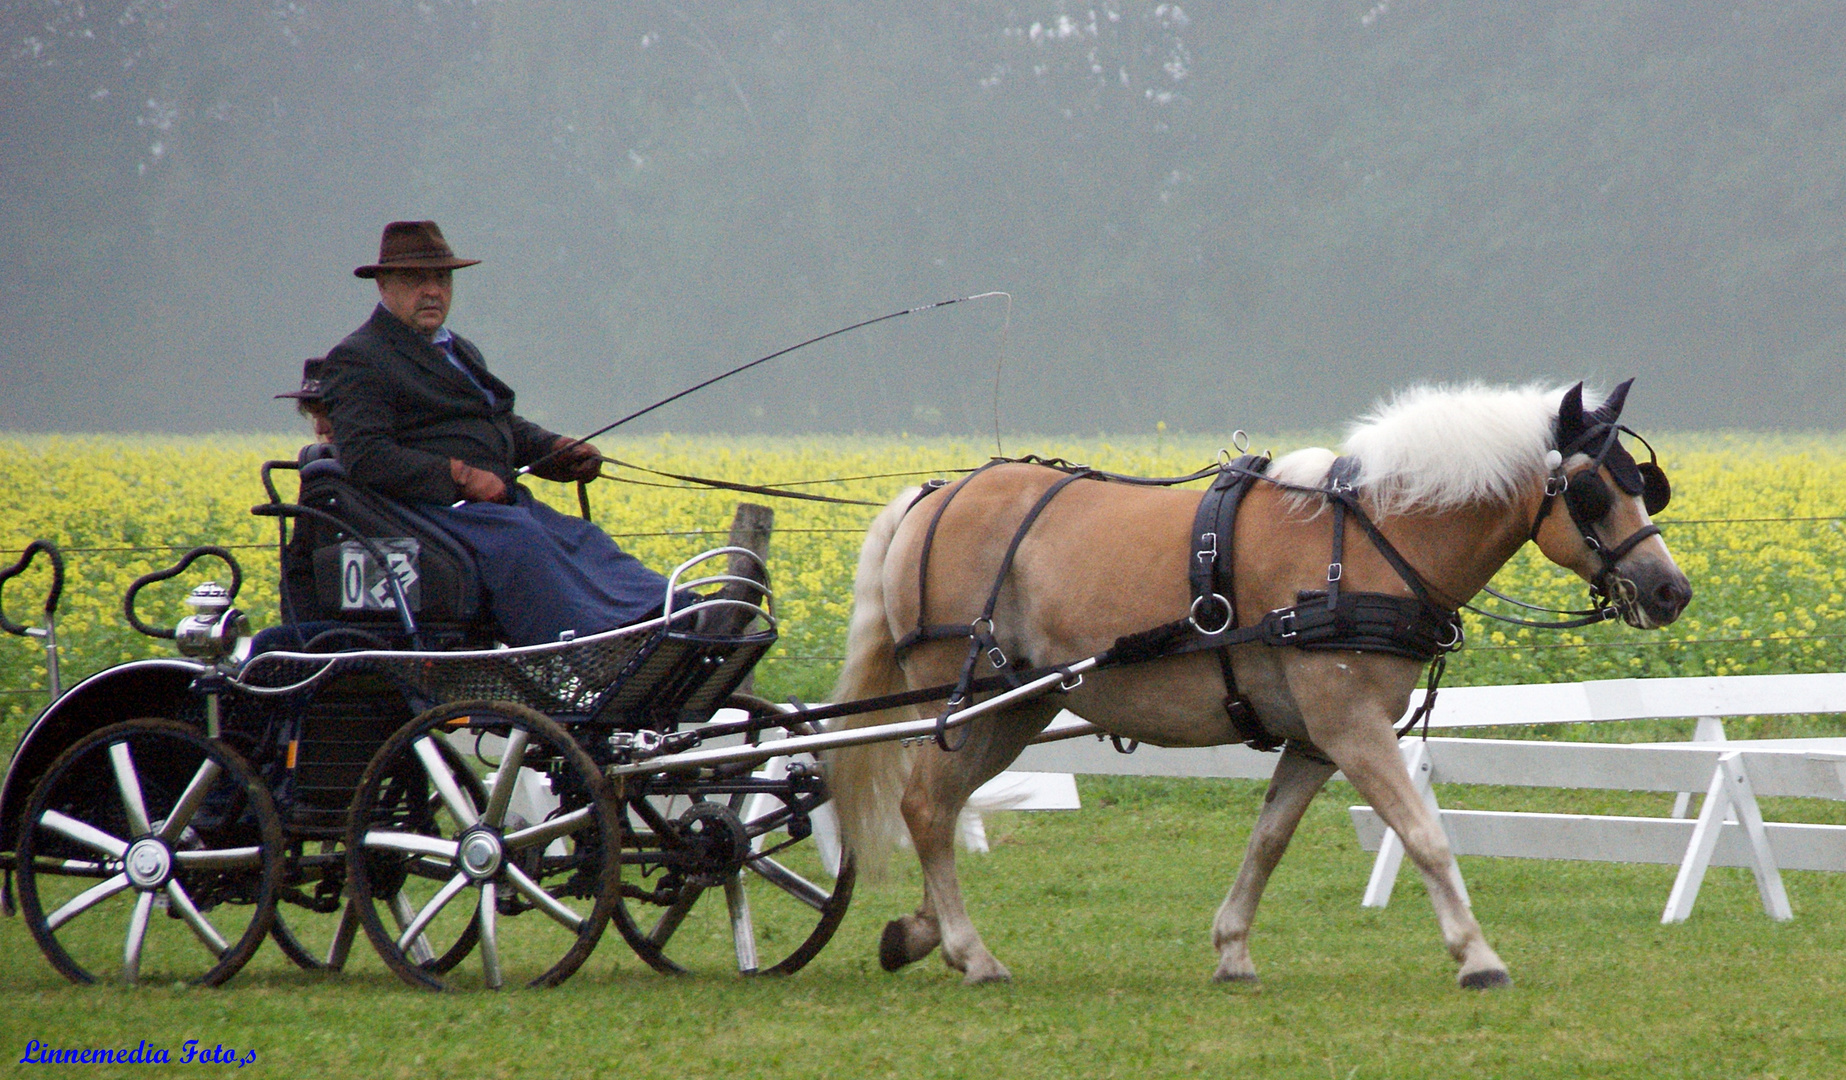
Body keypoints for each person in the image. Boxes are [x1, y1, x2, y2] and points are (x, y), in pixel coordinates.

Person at [318, 220, 693, 647]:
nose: (432, 291)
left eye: (441, 278)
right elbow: (367, 456)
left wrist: (555, 449)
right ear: (383, 285)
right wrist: (462, 476)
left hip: (494, 506)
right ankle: (587, 647)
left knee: (581, 538)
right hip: (428, 513)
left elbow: (497, 423)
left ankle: (672, 615)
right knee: (523, 541)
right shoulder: (359, 357)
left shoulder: (458, 349)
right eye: (415, 279)